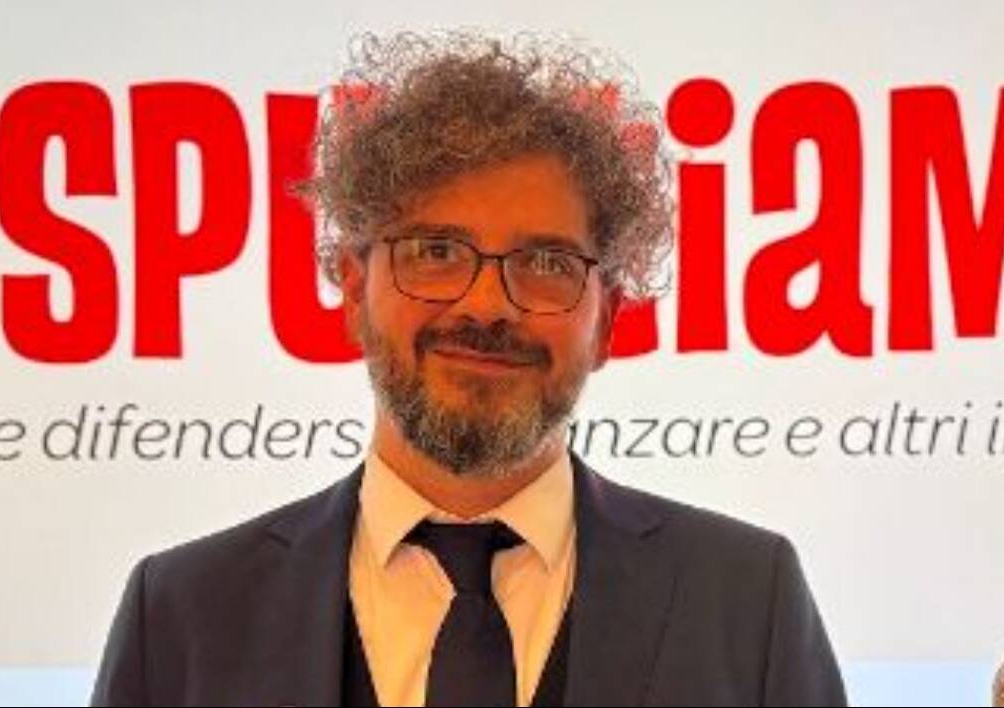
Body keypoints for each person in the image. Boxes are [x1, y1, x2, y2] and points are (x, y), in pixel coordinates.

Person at [91, 31, 846, 707]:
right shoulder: (184, 614)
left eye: (545, 262)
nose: (487, 304)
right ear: (353, 290)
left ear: (608, 321)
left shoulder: (748, 600)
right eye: (436, 252)